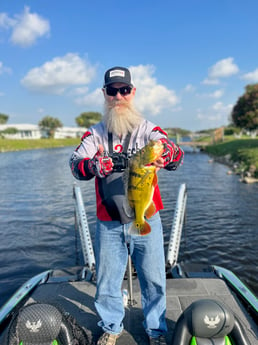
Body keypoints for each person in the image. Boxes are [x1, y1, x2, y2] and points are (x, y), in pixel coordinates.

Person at [69, 66, 184, 345]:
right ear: (104, 94)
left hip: (147, 217)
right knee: (107, 282)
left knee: (154, 279)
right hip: (108, 222)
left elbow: (174, 152)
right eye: (112, 90)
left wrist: (167, 154)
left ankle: (156, 330)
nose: (118, 96)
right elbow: (75, 164)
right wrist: (94, 164)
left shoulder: (149, 130)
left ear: (133, 93)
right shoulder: (93, 135)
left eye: (124, 90)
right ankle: (111, 326)